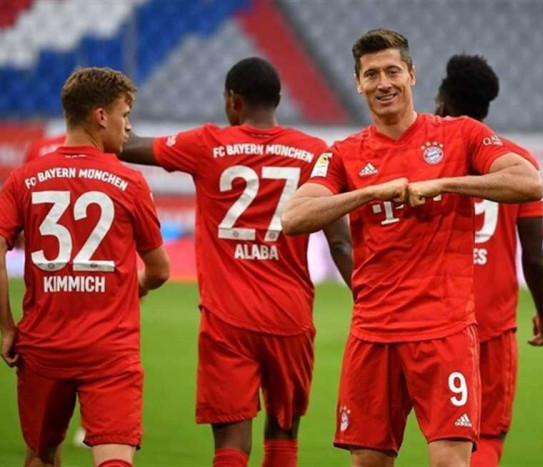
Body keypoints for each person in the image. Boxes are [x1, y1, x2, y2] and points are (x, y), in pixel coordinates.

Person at [282, 29, 543, 467]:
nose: (383, 83)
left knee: (449, 462)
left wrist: (444, 184)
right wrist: (369, 193)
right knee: (369, 462)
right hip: (373, 333)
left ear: (412, 75)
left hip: (444, 330)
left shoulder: (461, 134)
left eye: (392, 71)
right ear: (358, 83)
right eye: (371, 75)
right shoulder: (343, 153)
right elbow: (294, 217)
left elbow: (529, 181)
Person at [119, 57, 353, 467]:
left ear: (233, 100)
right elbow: (341, 243)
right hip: (289, 317)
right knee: (284, 432)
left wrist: (111, 113)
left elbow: (127, 145)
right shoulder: (315, 152)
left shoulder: (207, 145)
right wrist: (368, 299)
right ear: (278, 99)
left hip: (227, 319)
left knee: (230, 441)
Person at [0, 67, 170, 467]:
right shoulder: (130, 182)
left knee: (41, 455)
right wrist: (137, 286)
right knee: (115, 456)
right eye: (125, 115)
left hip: (43, 345)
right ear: (101, 116)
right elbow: (160, 270)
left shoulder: (24, 178)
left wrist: (6, 327)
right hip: (110, 349)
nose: (129, 127)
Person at [435, 54, 543, 466]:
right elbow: (534, 257)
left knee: (444, 437)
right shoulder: (518, 164)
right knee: (486, 436)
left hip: (434, 321)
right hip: (492, 325)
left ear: (444, 102)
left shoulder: (428, 162)